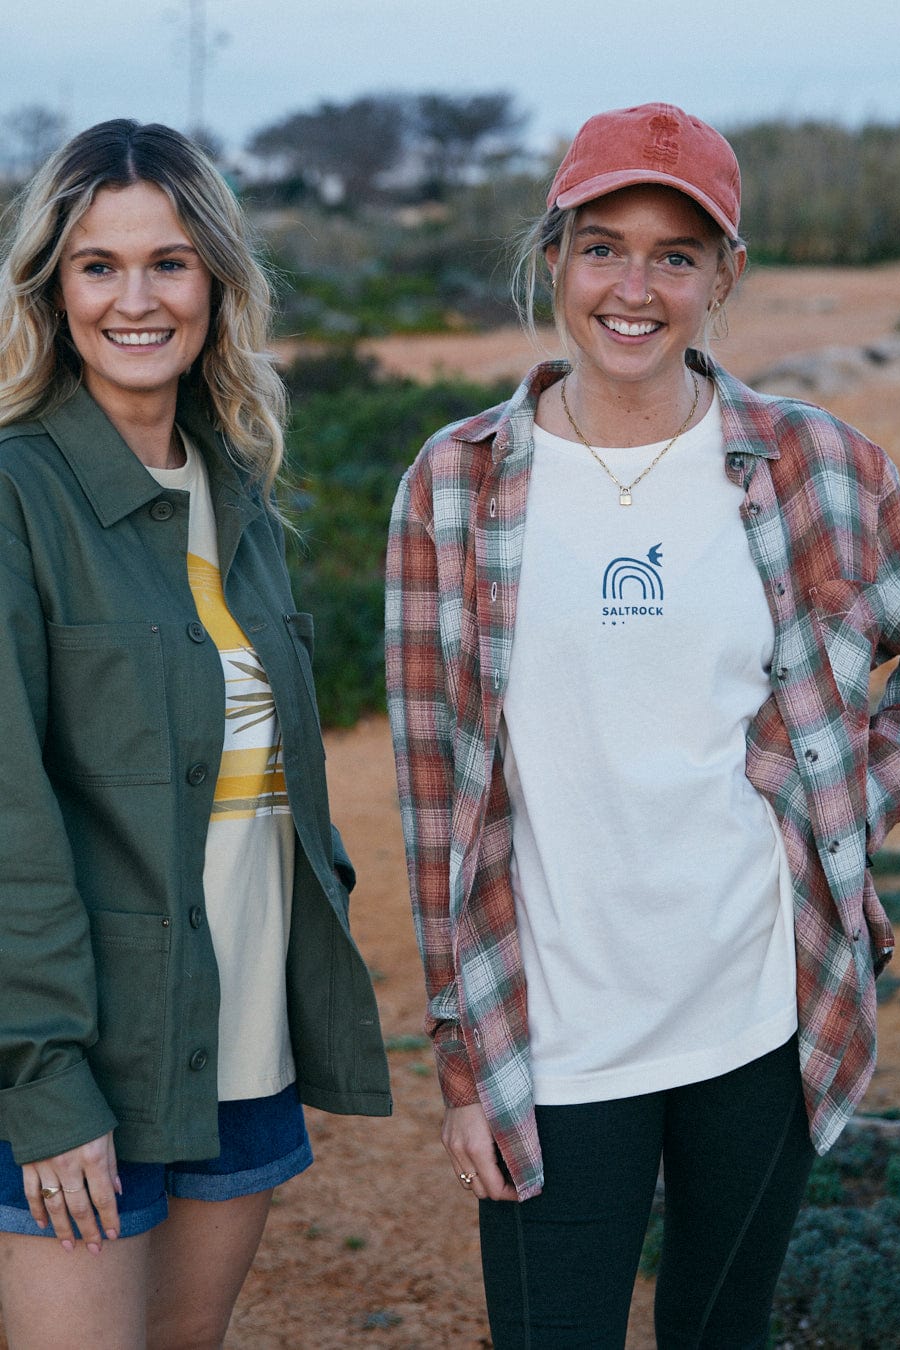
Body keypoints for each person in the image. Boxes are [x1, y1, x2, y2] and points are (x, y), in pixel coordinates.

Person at [385, 102, 900, 1348]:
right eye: (604, 244)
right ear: (553, 255)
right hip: (551, 1030)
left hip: (757, 1006)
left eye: (676, 255)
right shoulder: (454, 486)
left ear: (727, 275)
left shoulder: (812, 465)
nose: (636, 286)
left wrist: (836, 807)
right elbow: (434, 799)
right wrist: (463, 1060)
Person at [0, 120, 390, 1348]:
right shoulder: (18, 494)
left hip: (242, 1047)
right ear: (51, 291)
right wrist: (44, 1084)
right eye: (96, 265)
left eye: (168, 262)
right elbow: (8, 819)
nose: (136, 298)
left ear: (217, 281)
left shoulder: (239, 490)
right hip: (79, 1061)